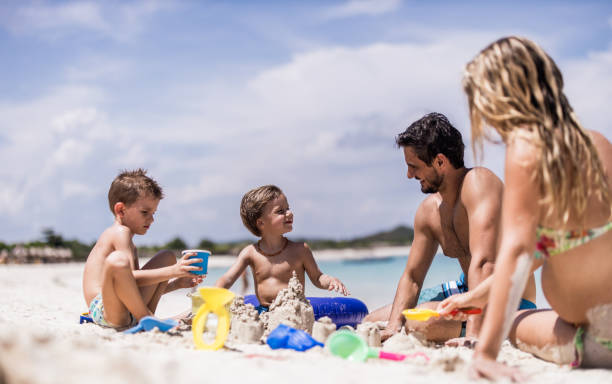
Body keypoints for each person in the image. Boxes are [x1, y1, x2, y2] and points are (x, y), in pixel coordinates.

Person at [460, 36, 612, 381]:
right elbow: (557, 248)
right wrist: (473, 297)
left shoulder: (526, 149)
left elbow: (518, 252)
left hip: (598, 339)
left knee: (516, 323)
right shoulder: (598, 142)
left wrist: (485, 353)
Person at [364, 113, 537, 343]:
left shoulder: (478, 184)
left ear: (440, 162)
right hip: (464, 290)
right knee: (372, 321)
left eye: (413, 166)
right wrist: (393, 327)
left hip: (508, 296)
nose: (409, 175)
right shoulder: (429, 211)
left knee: (421, 322)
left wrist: (473, 335)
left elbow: (484, 262)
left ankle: (476, 327)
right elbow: (413, 277)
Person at [82, 169, 204, 329]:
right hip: (105, 309)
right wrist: (174, 271)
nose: (151, 219)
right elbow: (131, 278)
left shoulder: (129, 241)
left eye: (153, 213)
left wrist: (176, 284)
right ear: (121, 210)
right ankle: (147, 317)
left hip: (126, 311)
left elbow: (131, 288)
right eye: (145, 212)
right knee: (116, 261)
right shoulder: (120, 232)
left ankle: (147, 318)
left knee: (166, 256)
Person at [215, 185, 349, 311]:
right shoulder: (250, 253)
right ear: (261, 222)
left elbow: (317, 278)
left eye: (288, 208)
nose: (289, 213)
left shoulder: (300, 250)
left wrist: (329, 281)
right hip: (265, 310)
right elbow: (227, 279)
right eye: (280, 211)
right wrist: (212, 296)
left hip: (294, 309)